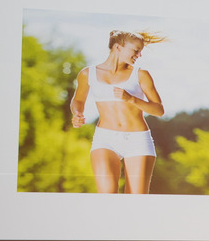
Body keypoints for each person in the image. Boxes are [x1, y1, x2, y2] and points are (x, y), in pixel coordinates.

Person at [70, 30, 166, 194]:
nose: (139, 55)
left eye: (140, 51)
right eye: (136, 50)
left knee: (135, 200)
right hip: (105, 139)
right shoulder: (87, 73)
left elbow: (159, 110)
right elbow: (78, 100)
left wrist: (131, 99)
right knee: (107, 196)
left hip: (137, 140)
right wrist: (77, 113)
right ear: (118, 47)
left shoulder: (140, 74)